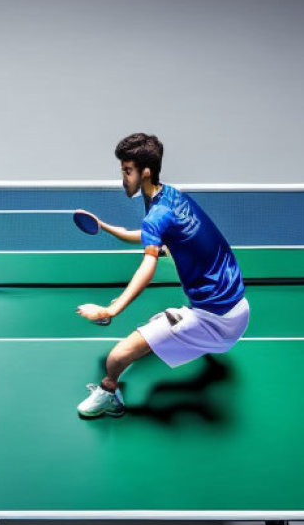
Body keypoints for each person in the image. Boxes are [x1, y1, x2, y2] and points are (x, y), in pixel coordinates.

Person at [74, 133, 249, 417]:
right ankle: (178, 331)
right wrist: (106, 227)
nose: (123, 179)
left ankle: (109, 394)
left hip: (216, 322)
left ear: (145, 171)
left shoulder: (156, 216)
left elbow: (148, 266)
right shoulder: (172, 196)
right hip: (237, 305)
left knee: (115, 359)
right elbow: (148, 234)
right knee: (160, 324)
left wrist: (111, 309)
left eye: (127, 171)